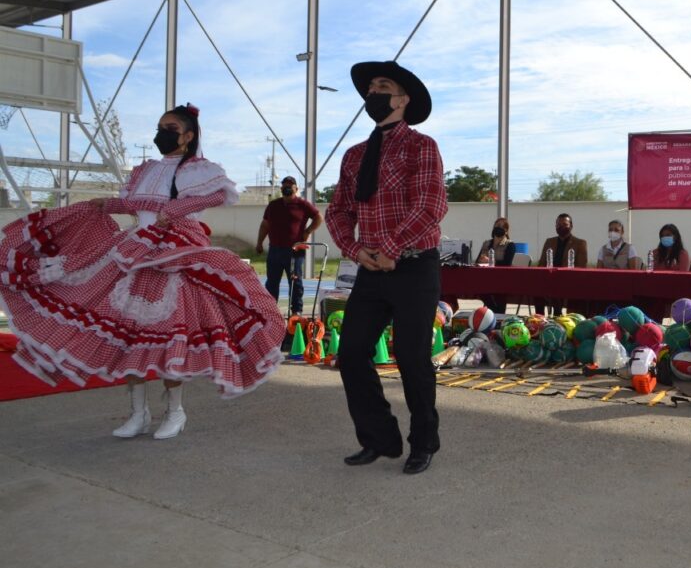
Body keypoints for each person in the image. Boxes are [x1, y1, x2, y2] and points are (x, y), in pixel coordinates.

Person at [0, 104, 285, 440]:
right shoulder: (147, 169)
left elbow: (211, 196)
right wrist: (106, 204)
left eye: (171, 128)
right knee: (126, 334)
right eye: (160, 126)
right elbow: (135, 203)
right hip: (134, 248)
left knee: (169, 333)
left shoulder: (196, 169)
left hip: (174, 248)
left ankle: (175, 411)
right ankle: (138, 413)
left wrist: (173, 210)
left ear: (188, 135)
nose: (162, 133)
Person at [325, 60, 447, 475]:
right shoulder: (355, 154)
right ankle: (379, 438)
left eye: (383, 86)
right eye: (371, 87)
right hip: (371, 268)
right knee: (352, 353)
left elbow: (430, 205)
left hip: (413, 266)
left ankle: (423, 441)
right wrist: (356, 249)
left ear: (402, 99)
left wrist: (392, 247)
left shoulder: (421, 146)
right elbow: (338, 211)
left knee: (413, 358)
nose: (374, 93)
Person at [255, 176, 323, 315]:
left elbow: (318, 217)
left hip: (295, 251)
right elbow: (265, 225)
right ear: (281, 189)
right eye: (285, 185)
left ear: (296, 189)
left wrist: (308, 231)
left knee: (295, 282)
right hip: (274, 250)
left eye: (290, 186)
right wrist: (259, 242)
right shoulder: (273, 205)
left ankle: (296, 312)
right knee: (272, 282)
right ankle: (270, 311)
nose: (287, 188)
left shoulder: (303, 204)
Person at [534, 213, 588, 315]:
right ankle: (539, 319)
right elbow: (541, 263)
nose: (561, 226)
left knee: (557, 292)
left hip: (569, 281)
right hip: (549, 279)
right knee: (536, 290)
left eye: (565, 224)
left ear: (571, 226)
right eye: (558, 224)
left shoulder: (580, 243)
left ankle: (558, 318)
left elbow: (581, 266)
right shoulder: (549, 241)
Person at [475, 217, 516, 314]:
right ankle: (495, 313)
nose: (499, 228)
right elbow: (477, 261)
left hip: (502, 279)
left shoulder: (510, 245)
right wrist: (481, 260)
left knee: (499, 293)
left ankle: (497, 314)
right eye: (497, 226)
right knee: (478, 286)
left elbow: (507, 264)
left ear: (506, 231)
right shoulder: (486, 243)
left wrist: (490, 261)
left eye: (502, 227)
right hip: (485, 278)